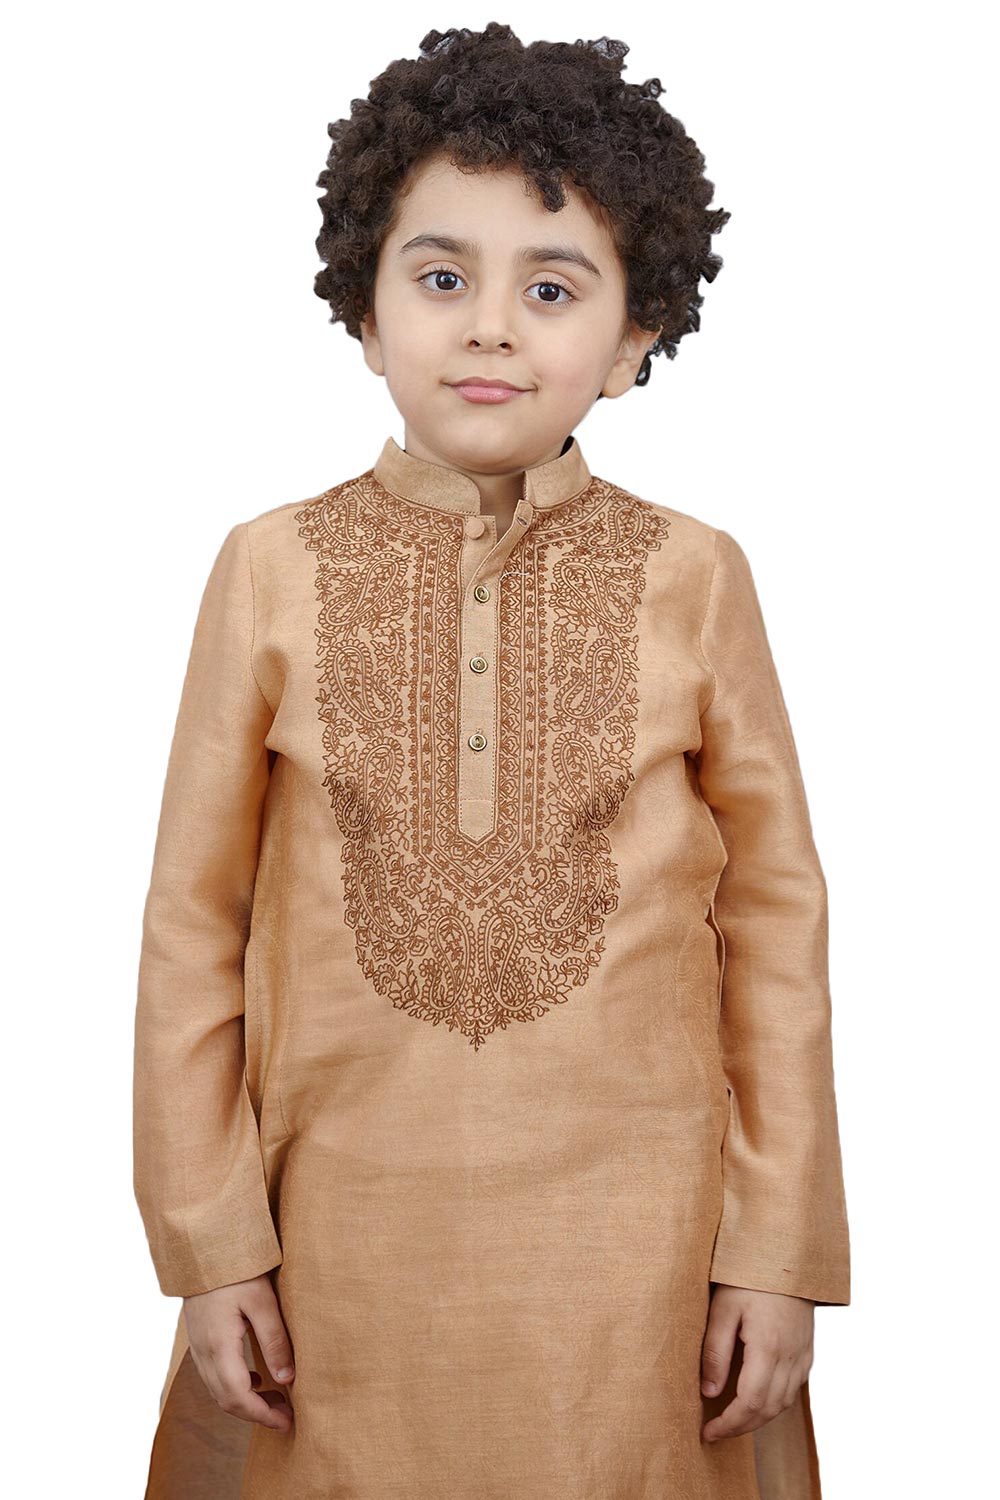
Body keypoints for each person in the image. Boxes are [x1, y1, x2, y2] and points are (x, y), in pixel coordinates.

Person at [133, 22, 850, 1499]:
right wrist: (208, 1246)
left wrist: (776, 1253)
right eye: (442, 277)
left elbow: (777, 927)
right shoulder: (269, 569)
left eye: (553, 288)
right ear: (364, 309)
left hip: (647, 1269)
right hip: (334, 1250)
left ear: (637, 338)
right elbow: (192, 928)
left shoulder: (695, 576)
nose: (491, 330)